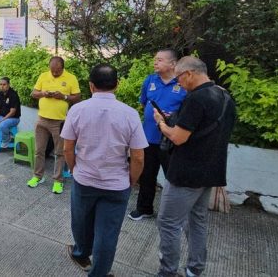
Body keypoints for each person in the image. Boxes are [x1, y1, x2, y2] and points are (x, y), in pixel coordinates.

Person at [153, 56, 236, 277]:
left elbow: (178, 138)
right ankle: (194, 269)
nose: (179, 84)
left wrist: (162, 123)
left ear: (188, 73)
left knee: (168, 223)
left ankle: (167, 272)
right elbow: (206, 128)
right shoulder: (224, 96)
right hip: (211, 171)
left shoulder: (196, 98)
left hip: (186, 173)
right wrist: (176, 120)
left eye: (179, 78)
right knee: (197, 220)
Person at [62, 64, 147, 277]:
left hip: (84, 180)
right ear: (117, 84)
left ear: (91, 86)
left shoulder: (77, 110)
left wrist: (75, 170)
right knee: (107, 234)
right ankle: (99, 273)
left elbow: (67, 148)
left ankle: (81, 253)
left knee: (81, 221)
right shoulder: (130, 114)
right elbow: (138, 156)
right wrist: (130, 180)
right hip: (117, 184)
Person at [129, 49, 187, 221]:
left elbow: (190, 112)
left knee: (173, 178)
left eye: (160, 60)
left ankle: (175, 215)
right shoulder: (150, 80)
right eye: (155, 60)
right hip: (149, 138)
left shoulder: (183, 83)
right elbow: (143, 103)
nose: (155, 63)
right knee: (147, 175)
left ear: (173, 64)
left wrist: (174, 118)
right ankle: (144, 208)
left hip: (171, 139)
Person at [27, 56, 81, 194]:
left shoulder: (71, 78)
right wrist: (43, 93)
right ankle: (37, 176)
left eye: (57, 71)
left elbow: (77, 97)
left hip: (59, 122)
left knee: (60, 152)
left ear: (62, 68)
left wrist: (63, 97)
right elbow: (34, 93)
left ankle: (58, 181)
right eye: (52, 70)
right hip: (42, 119)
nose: (54, 73)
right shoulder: (44, 76)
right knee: (39, 150)